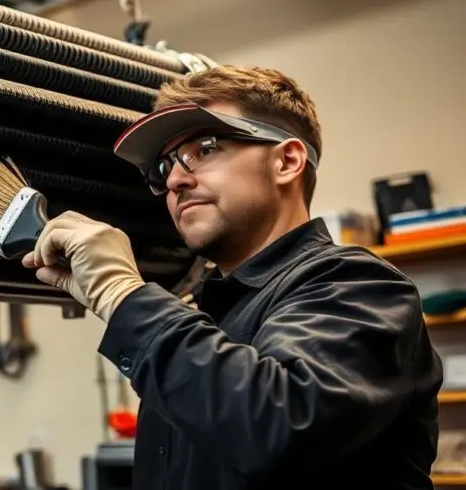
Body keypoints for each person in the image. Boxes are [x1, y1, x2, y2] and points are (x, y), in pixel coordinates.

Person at [23, 65, 443, 489]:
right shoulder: (208, 318)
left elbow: (278, 426)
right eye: (166, 166)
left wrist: (123, 295)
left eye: (204, 149)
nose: (175, 180)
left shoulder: (361, 285)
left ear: (287, 161)